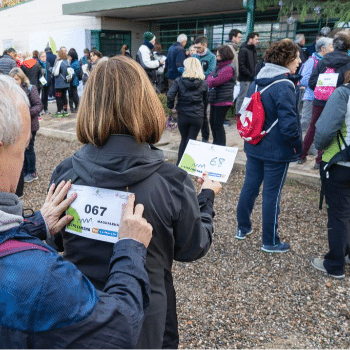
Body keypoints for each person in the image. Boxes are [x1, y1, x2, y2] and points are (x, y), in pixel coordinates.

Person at [46, 55, 222, 350]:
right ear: (146, 103)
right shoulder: (171, 181)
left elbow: (57, 240)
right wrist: (206, 197)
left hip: (78, 317)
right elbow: (192, 247)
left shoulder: (66, 174)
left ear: (90, 105)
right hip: (146, 323)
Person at [0, 75, 153, 348]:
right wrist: (130, 247)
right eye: (23, 148)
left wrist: (35, 226)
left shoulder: (66, 172)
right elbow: (119, 327)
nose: (24, 161)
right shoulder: (40, 279)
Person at [236, 39, 302, 253]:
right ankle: (270, 241)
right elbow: (290, 125)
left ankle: (242, 228)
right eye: (297, 57)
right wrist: (297, 148)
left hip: (255, 143)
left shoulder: (258, 80)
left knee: (250, 187)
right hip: (276, 150)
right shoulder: (284, 85)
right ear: (287, 59)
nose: (300, 61)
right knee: (271, 195)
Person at [311, 72, 350, 279]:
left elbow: (325, 131)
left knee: (339, 214)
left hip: (340, 162)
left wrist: (320, 146)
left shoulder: (343, 94)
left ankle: (334, 264)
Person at [301, 31, 350, 169]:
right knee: (333, 128)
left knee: (313, 127)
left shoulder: (323, 61)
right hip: (338, 102)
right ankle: (320, 160)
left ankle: (302, 155)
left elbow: (311, 82)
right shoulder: (348, 63)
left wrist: (324, 84)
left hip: (319, 100)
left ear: (334, 45)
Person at [167, 57, 208, 164]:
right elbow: (206, 100)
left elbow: (170, 94)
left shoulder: (179, 81)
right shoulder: (203, 83)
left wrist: (171, 106)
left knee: (184, 139)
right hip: (197, 116)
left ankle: (179, 165)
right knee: (191, 141)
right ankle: (187, 165)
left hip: (183, 115)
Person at [9, 67, 43, 184]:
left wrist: (26, 113)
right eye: (12, 79)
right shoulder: (11, 91)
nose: (14, 82)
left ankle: (32, 172)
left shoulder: (30, 88)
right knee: (21, 149)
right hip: (17, 125)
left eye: (16, 79)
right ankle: (24, 171)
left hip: (30, 125)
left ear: (22, 79)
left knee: (29, 148)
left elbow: (38, 105)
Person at [206, 45, 236, 146]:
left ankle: (221, 145)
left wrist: (211, 79)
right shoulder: (219, 66)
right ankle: (215, 143)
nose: (217, 57)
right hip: (215, 99)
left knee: (218, 125)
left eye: (218, 55)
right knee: (213, 123)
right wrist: (211, 79)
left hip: (223, 100)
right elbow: (209, 77)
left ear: (224, 55)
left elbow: (214, 81)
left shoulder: (228, 68)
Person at [193, 36, 216, 143]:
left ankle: (205, 137)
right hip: (193, 88)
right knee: (192, 113)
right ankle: (192, 136)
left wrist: (196, 74)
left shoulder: (211, 57)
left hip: (204, 89)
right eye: (195, 47)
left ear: (205, 45)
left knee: (202, 115)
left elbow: (211, 73)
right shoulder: (194, 56)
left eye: (199, 47)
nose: (197, 50)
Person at [235, 32, 259, 113]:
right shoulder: (243, 50)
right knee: (242, 96)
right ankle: (238, 114)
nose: (257, 41)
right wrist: (249, 73)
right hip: (245, 78)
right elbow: (241, 65)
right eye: (256, 39)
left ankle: (245, 114)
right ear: (250, 39)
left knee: (249, 97)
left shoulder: (253, 50)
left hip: (252, 78)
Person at [52, 49, 70, 117]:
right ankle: (65, 110)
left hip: (59, 83)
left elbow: (55, 73)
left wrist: (52, 70)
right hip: (66, 82)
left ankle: (59, 111)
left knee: (58, 97)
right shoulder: (67, 62)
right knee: (64, 96)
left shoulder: (59, 62)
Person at [67, 48, 80, 113]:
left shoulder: (75, 63)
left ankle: (77, 106)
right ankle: (72, 107)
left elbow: (72, 72)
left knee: (74, 94)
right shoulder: (75, 62)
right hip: (73, 81)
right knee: (72, 94)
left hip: (73, 81)